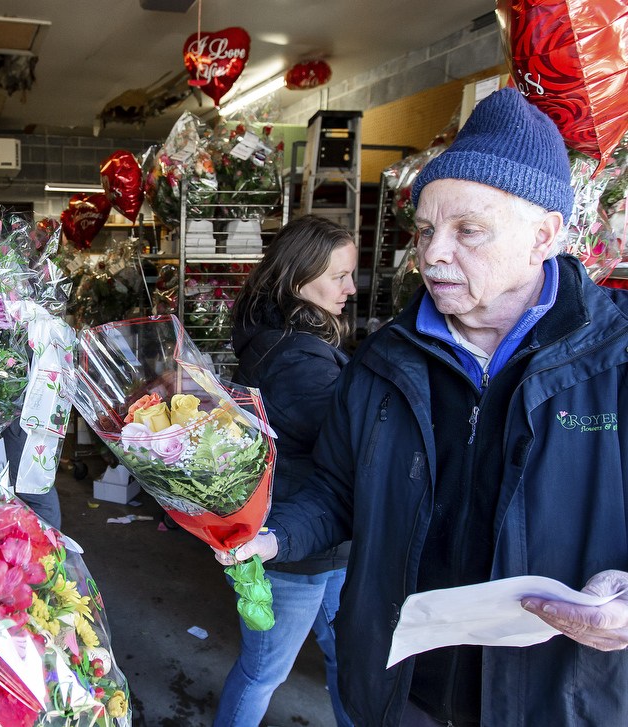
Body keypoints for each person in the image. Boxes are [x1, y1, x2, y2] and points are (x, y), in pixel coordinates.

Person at [217, 86, 628, 727]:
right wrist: (274, 537)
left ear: (544, 235)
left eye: (468, 231)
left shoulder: (615, 360)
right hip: (401, 695)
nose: (433, 254)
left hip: (560, 701)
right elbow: (338, 489)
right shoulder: (385, 361)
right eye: (428, 230)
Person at [214, 215, 356, 727]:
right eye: (339, 276)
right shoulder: (298, 360)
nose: (351, 288)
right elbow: (345, 449)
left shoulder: (282, 338)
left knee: (347, 659)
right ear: (298, 281)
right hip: (295, 543)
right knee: (264, 672)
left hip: (316, 535)